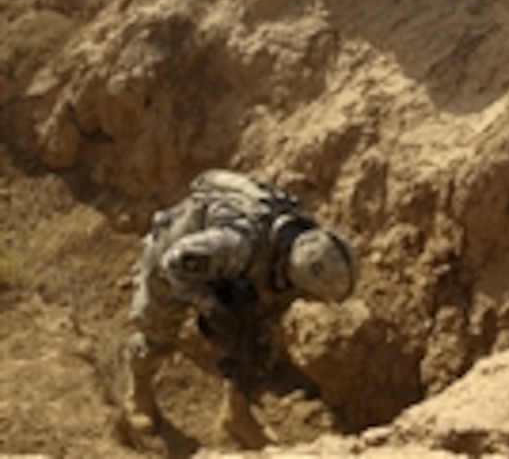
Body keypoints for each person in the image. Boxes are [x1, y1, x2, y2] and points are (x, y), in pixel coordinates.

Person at [118, 168, 357, 448]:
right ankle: (138, 391)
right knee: (158, 333)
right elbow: (175, 263)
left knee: (259, 342)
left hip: (236, 271)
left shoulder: (305, 245)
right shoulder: (237, 245)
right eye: (319, 297)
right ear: (298, 275)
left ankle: (237, 415)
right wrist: (210, 306)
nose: (320, 304)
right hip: (178, 254)